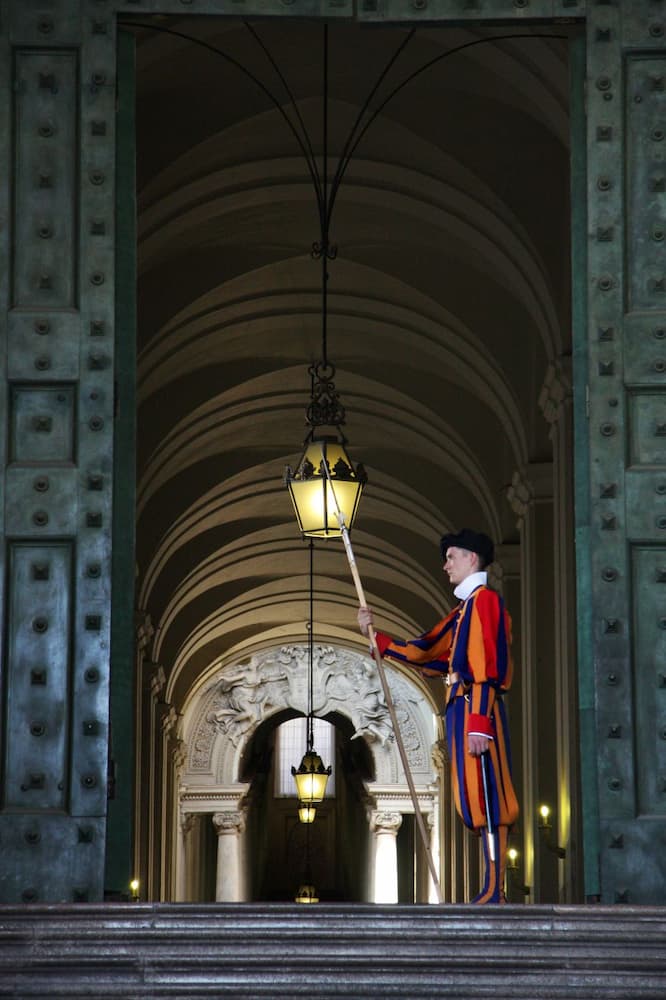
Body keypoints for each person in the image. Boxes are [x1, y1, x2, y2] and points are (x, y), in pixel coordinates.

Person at [357, 528, 519, 904]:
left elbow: (486, 667)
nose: (445, 565)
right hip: (463, 710)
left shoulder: (485, 602)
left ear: (472, 559)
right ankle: (489, 886)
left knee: (490, 798)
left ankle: (496, 889)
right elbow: (428, 649)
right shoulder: (464, 610)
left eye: (452, 557)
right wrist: (375, 637)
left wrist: (479, 722)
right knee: (473, 799)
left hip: (478, 711)